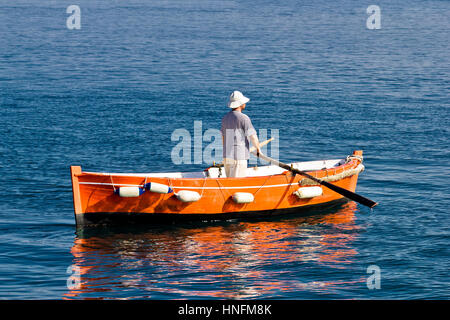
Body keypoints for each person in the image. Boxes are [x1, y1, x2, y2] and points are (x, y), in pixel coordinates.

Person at [221, 91, 261, 178]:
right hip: (239, 157)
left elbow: (223, 137)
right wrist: (258, 149)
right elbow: (252, 136)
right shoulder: (244, 118)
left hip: (227, 156)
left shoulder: (225, 118)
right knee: (236, 183)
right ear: (240, 104)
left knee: (229, 183)